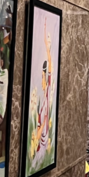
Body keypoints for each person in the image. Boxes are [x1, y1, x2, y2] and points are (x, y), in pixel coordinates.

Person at [31, 20, 54, 165]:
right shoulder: (43, 100)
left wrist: (46, 44)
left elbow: (44, 121)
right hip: (41, 145)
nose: (41, 81)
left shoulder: (46, 97)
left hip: (42, 146)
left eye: (42, 77)